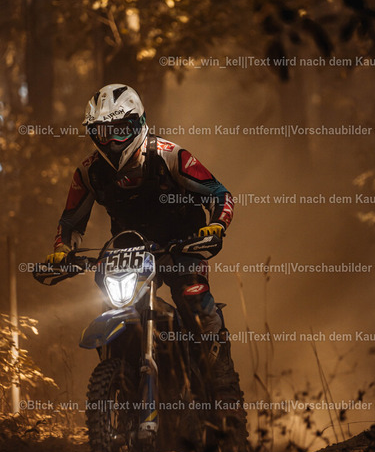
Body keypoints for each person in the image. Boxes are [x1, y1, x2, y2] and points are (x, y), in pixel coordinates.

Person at [46, 83, 243, 420]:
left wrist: (216, 226)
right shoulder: (89, 172)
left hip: (181, 243)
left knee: (196, 300)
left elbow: (219, 194)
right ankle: (126, 383)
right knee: (114, 304)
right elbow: (70, 221)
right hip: (129, 249)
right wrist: (61, 251)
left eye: (120, 130)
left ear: (138, 124)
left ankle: (224, 390)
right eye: (102, 132)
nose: (111, 141)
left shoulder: (170, 155)